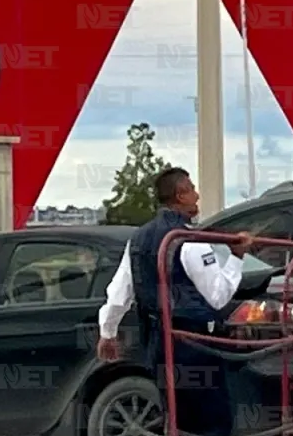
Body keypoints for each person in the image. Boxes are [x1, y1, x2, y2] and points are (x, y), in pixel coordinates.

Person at [97, 167, 252, 436]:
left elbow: (119, 292)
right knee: (213, 421)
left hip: (157, 342)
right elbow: (218, 296)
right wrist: (237, 257)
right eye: (191, 189)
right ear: (180, 195)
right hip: (193, 343)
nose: (197, 195)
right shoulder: (191, 240)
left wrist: (107, 332)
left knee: (177, 418)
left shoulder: (137, 239)